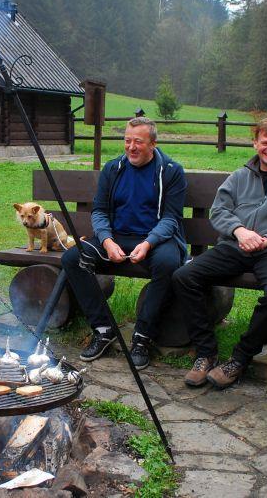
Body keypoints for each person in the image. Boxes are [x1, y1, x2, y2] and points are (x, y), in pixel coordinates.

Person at [173, 116, 267, 389]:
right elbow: (220, 211)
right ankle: (206, 351)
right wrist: (240, 231)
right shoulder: (239, 177)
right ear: (255, 143)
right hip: (235, 246)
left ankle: (240, 358)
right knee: (184, 276)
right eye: (266, 142)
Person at [61, 117, 187, 370]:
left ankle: (142, 338)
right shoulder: (113, 168)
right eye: (127, 141)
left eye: (138, 142)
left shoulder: (171, 171)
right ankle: (103, 329)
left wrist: (149, 243)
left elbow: (172, 218)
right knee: (73, 259)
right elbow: (99, 211)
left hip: (157, 238)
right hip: (116, 237)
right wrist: (107, 241)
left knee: (167, 264)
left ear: (153, 143)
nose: (131, 147)